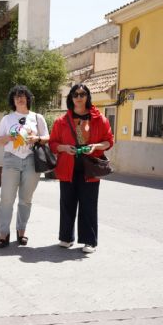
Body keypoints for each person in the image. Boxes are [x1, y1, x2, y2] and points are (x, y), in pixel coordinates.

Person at [49, 84, 113, 253]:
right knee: (67, 203)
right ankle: (66, 237)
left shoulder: (100, 119)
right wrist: (64, 148)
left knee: (88, 205)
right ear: (71, 97)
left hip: (90, 169)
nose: (79, 97)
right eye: (75, 94)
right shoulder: (61, 121)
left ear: (87, 97)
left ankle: (89, 241)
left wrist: (95, 146)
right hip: (67, 168)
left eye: (82, 94)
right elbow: (53, 144)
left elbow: (109, 141)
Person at [0, 85, 49, 248]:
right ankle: (3, 233)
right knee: (6, 198)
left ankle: (21, 231)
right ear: (13, 100)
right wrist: (9, 137)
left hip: (31, 159)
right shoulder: (7, 119)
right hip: (11, 159)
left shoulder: (37, 117)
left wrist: (37, 138)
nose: (20, 98)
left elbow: (47, 137)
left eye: (23, 95)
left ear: (28, 99)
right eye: (16, 96)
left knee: (25, 199)